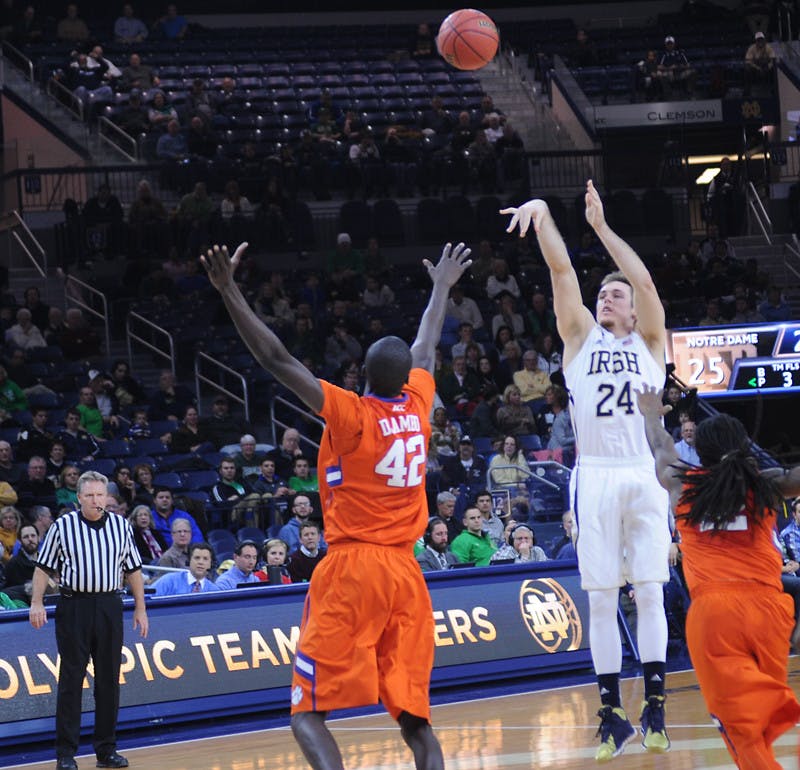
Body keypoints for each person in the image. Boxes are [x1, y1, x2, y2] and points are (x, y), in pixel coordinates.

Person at [201, 238, 471, 770]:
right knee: (416, 721)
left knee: (306, 713)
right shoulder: (418, 407)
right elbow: (425, 347)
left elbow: (276, 358)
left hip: (354, 568)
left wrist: (229, 290)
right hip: (406, 573)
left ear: (363, 377)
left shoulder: (352, 414)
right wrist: (441, 288)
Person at [502, 181, 671, 760]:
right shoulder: (578, 338)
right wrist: (546, 216)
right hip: (594, 473)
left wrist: (602, 229)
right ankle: (609, 713)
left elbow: (645, 282)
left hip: (642, 470)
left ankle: (655, 705)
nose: (609, 297)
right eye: (605, 294)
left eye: (616, 294)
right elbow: (562, 273)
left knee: (649, 591)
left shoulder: (652, 340)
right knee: (601, 599)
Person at [637, 387, 800, 770]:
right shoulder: (766, 484)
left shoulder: (682, 485)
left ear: (701, 452)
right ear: (743, 445)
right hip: (769, 611)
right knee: (756, 725)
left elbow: (661, 448)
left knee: (740, 729)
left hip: (714, 616)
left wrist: (649, 414)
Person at [28, 470, 148, 770]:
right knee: (71, 680)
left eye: (101, 495)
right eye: (91, 495)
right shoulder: (63, 527)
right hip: (74, 607)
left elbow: (133, 569)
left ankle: (106, 750)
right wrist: (36, 602)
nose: (97, 500)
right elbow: (43, 568)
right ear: (79, 498)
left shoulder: (121, 526)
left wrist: (140, 608)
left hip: (109, 605)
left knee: (109, 681)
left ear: (108, 496)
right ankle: (66, 754)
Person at [154, 542, 220, 595]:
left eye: (205, 559)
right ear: (189, 561)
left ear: (210, 564)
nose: (200, 562)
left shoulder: (214, 591)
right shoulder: (169, 581)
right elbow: (146, 598)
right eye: (197, 558)